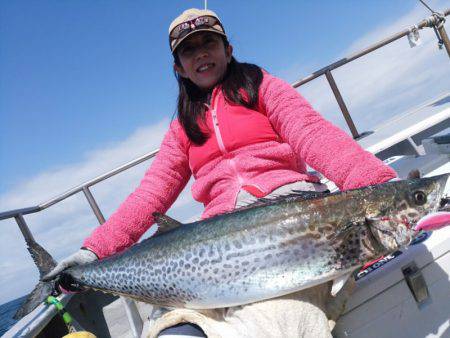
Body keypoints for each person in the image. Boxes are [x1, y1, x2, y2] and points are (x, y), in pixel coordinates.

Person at [45, 8, 397, 338]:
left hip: (289, 227)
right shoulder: (182, 129)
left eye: (208, 42)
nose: (201, 54)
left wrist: (382, 190)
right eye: (188, 50)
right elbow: (151, 193)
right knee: (174, 331)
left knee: (278, 319)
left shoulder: (263, 88)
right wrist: (94, 251)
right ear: (179, 69)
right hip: (216, 242)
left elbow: (313, 136)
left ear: (228, 50)